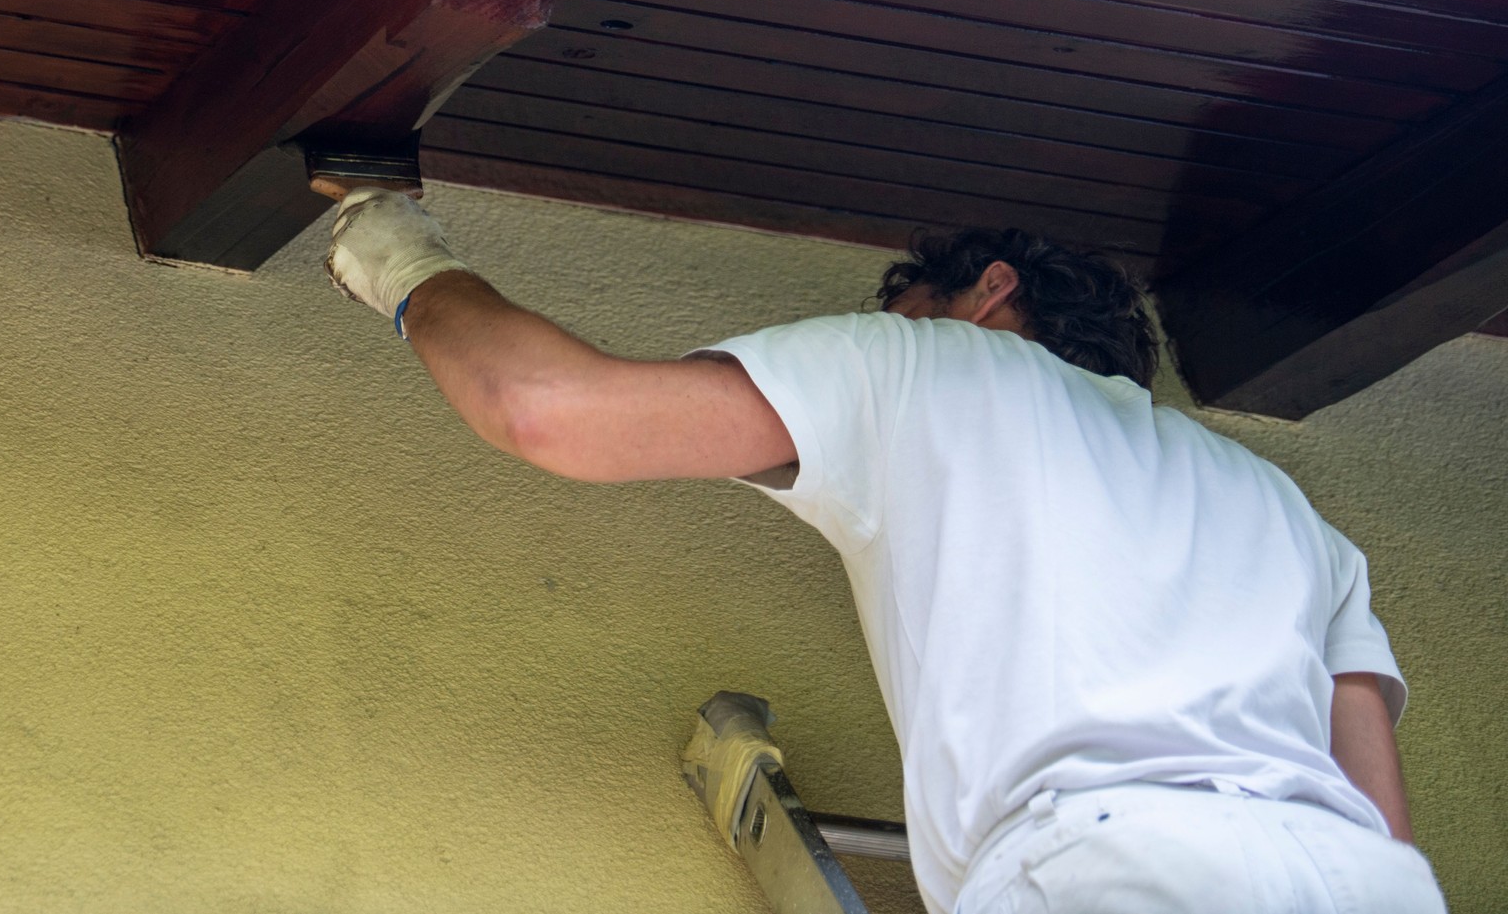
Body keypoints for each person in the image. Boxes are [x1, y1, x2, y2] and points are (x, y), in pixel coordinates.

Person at [323, 188, 1447, 914]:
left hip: (1114, 867)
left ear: (988, 297)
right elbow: (1379, 810)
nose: (886, 327)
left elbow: (544, 409)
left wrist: (406, 264)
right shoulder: (1286, 510)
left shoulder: (939, 367)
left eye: (902, 304)